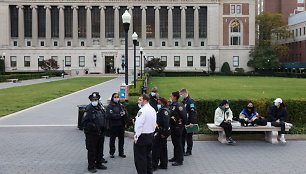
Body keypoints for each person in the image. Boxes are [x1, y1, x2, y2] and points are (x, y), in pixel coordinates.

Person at [82, 92, 107, 173]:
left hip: (100, 133)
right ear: (90, 100)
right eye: (93, 99)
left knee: (100, 149)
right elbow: (84, 122)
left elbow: (104, 117)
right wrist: (93, 126)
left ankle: (99, 163)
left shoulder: (100, 107)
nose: (95, 100)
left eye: (96, 99)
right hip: (92, 134)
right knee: (92, 150)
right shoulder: (88, 109)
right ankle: (91, 166)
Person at [134, 94, 157, 174]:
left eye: (140, 100)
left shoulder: (142, 111)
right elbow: (154, 123)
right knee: (148, 156)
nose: (138, 101)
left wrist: (136, 137)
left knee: (140, 159)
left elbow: (139, 125)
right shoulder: (152, 109)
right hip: (150, 135)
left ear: (145, 100)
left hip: (142, 137)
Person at [168, 91, 187, 166]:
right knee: (174, 143)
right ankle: (175, 157)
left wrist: (181, 124)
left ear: (175, 97)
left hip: (178, 127)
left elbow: (184, 116)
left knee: (178, 143)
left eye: (171, 96)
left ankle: (180, 160)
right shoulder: (172, 104)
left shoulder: (179, 105)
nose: (170, 97)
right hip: (173, 126)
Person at [106, 93, 128, 158]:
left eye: (117, 97)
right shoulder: (110, 106)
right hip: (113, 125)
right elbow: (111, 115)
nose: (116, 98)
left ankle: (121, 152)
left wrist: (124, 113)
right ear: (112, 98)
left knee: (121, 139)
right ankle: (112, 153)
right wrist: (120, 115)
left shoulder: (121, 105)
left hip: (121, 125)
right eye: (115, 97)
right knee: (112, 139)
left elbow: (125, 113)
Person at [152, 98, 170, 171]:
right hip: (163, 132)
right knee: (163, 149)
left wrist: (163, 133)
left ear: (162, 103)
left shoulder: (164, 111)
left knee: (156, 149)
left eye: (159, 103)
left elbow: (166, 123)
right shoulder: (164, 110)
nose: (158, 104)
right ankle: (164, 164)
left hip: (162, 132)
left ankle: (154, 165)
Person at [180, 88, 197, 156]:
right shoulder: (184, 101)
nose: (181, 95)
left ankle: (189, 151)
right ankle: (182, 150)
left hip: (189, 122)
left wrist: (192, 122)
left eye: (181, 94)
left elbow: (193, 112)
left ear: (184, 93)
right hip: (184, 122)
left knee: (189, 137)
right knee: (182, 137)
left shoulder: (190, 101)